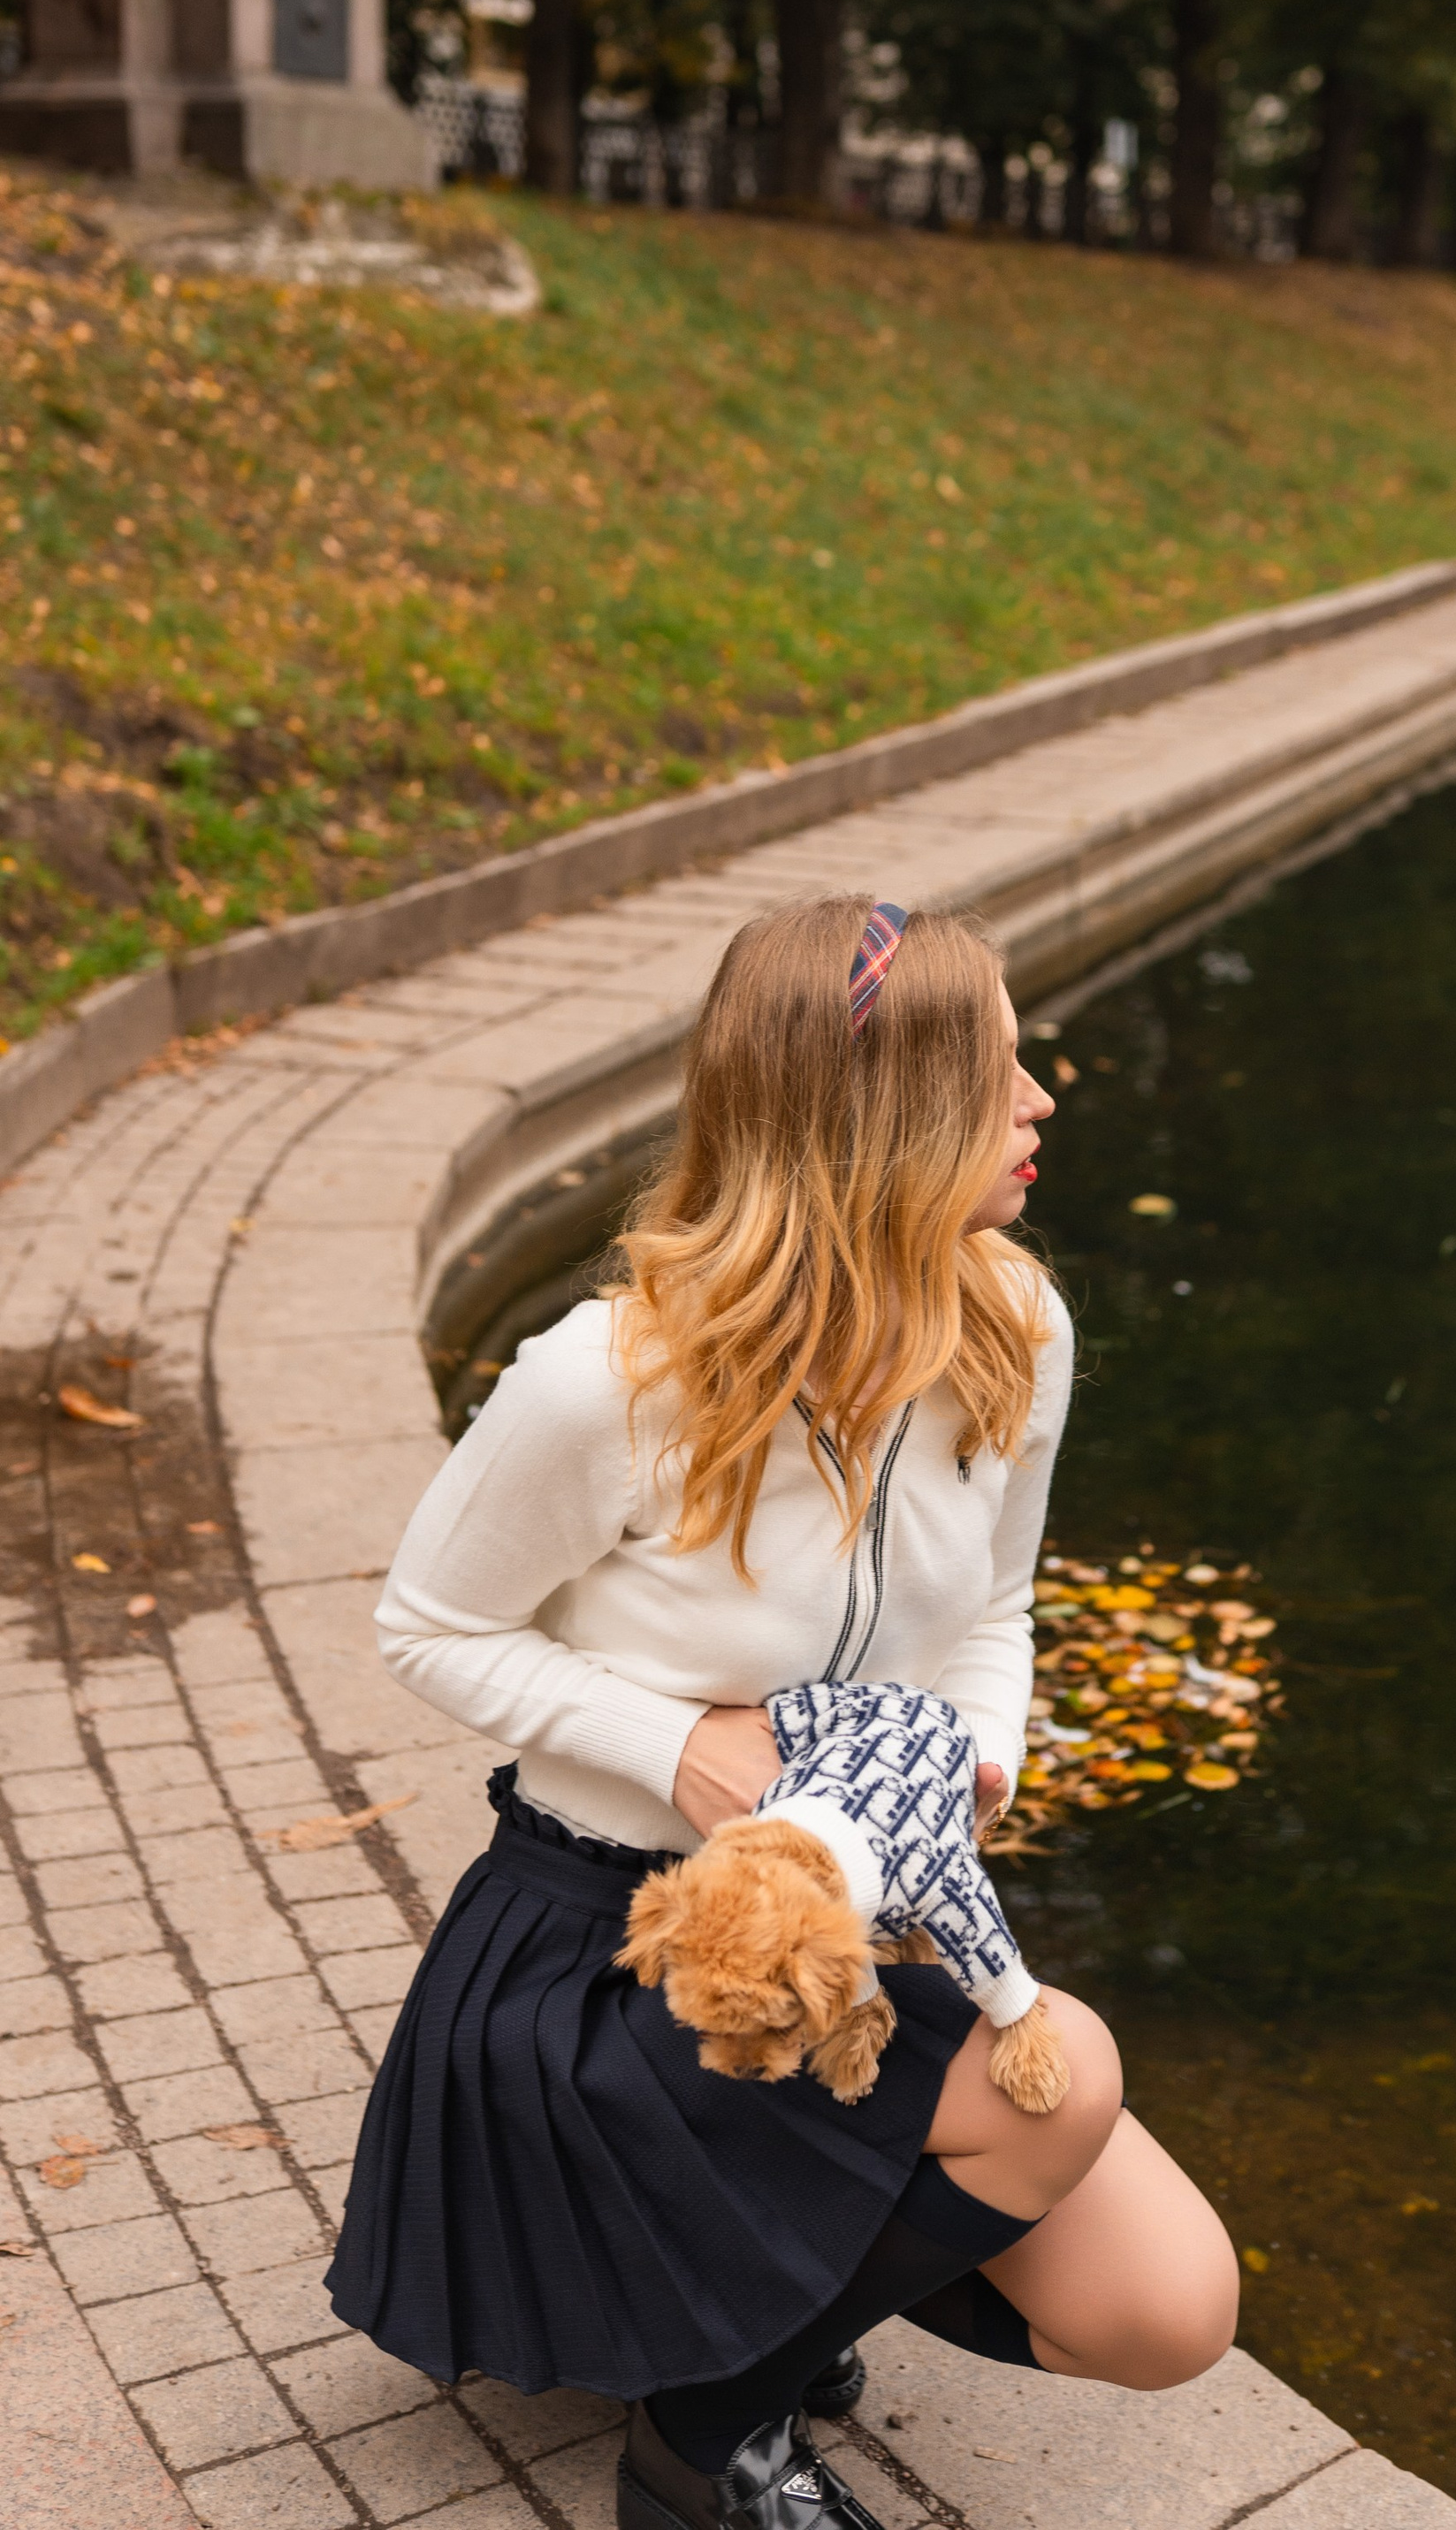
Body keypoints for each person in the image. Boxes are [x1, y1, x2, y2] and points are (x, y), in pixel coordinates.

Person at [327, 896, 1237, 2530]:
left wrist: (977, 1762)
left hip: (861, 1929)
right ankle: (707, 2436)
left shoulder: (1016, 1326)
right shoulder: (606, 1379)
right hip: (618, 1952)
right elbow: (430, 1626)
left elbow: (1000, 1609)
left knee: (1167, 2313)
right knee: (1073, 2073)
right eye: (997, 1071)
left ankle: (749, 2319)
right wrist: (678, 1747)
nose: (1042, 1100)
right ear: (873, 1115)